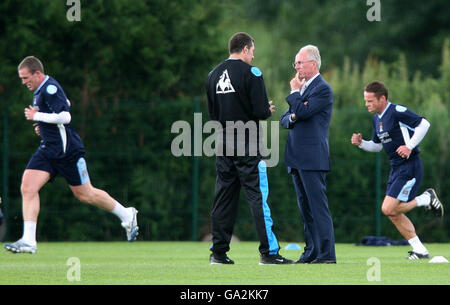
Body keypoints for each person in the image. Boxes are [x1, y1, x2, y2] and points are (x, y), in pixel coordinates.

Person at [4, 56, 139, 254]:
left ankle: (126, 214)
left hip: (68, 152)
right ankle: (29, 240)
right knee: (28, 186)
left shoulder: (49, 87)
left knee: (85, 194)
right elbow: (65, 103)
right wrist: (43, 126)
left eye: (26, 78)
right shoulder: (41, 90)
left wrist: (37, 117)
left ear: (38, 73)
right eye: (22, 79)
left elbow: (66, 116)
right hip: (49, 149)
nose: (24, 82)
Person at [205, 32, 293, 265]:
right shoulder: (252, 73)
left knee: (223, 198)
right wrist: (266, 109)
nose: (254, 55)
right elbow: (260, 111)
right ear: (244, 49)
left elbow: (213, 114)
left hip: (223, 143)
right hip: (248, 143)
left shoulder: (212, 75)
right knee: (257, 196)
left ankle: (219, 254)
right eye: (252, 50)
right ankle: (269, 253)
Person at [351, 81, 444, 260]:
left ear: (382, 99)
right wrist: (361, 143)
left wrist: (409, 146)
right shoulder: (376, 119)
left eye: (370, 101)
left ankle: (426, 199)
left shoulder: (396, 111)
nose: (366, 104)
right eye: (366, 101)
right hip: (396, 168)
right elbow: (377, 147)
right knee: (393, 212)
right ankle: (420, 250)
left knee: (387, 208)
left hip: (409, 165)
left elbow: (424, 124)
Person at [280, 45, 336, 264]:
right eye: (296, 63)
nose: (296, 67)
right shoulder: (302, 90)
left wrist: (295, 94)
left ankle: (326, 255)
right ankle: (311, 252)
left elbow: (302, 111)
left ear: (313, 64)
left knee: (318, 208)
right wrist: (295, 111)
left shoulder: (322, 89)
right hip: (296, 157)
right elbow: (286, 119)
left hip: (313, 158)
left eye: (300, 62)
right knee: (306, 210)